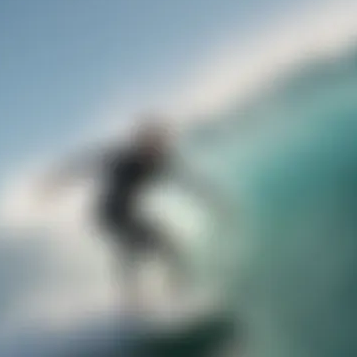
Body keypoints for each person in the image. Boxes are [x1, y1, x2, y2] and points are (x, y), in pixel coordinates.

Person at [43, 118, 225, 305]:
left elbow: (188, 183)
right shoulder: (123, 157)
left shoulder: (160, 163)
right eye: (151, 143)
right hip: (108, 213)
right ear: (141, 142)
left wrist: (214, 203)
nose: (156, 148)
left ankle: (177, 293)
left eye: (160, 144)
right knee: (135, 250)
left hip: (127, 213)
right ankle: (132, 303)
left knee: (167, 248)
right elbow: (86, 164)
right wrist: (56, 183)